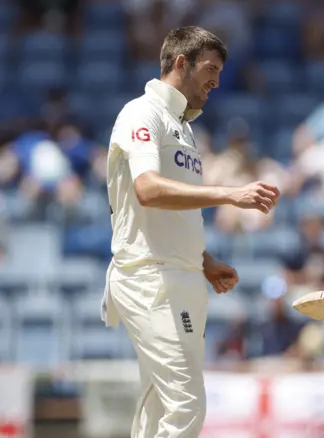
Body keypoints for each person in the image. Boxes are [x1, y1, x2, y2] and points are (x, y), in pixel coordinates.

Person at [102, 26, 280, 437]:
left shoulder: (183, 128)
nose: (216, 81)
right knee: (187, 407)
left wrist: (205, 261)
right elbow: (146, 189)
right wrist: (230, 194)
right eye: (210, 69)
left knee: (158, 408)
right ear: (181, 63)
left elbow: (175, 213)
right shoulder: (141, 113)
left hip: (181, 277)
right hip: (150, 278)